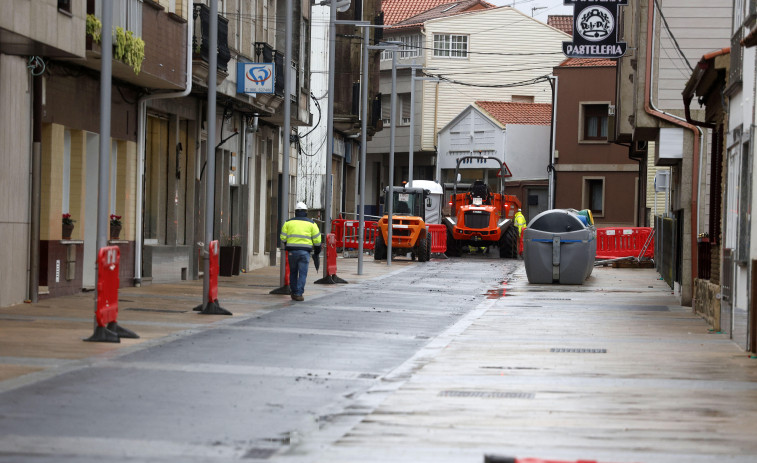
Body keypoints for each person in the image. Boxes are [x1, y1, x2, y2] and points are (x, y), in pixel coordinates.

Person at [280, 202, 322, 301]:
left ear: (295, 212)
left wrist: (288, 244)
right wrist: (317, 252)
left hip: (292, 252)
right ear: (306, 212)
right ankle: (299, 293)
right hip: (305, 253)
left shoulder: (288, 222)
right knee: (303, 274)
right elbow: (317, 241)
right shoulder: (312, 224)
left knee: (293, 272)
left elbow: (282, 238)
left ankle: (294, 292)